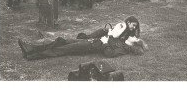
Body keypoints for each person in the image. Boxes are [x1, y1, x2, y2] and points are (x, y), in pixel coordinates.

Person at [18, 16, 148, 60]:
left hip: (91, 46)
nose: (134, 37)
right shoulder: (123, 40)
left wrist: (104, 43)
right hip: (90, 41)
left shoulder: (124, 49)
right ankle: (31, 48)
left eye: (136, 40)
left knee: (63, 49)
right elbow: (114, 35)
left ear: (135, 45)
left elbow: (109, 54)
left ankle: (32, 55)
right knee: (61, 41)